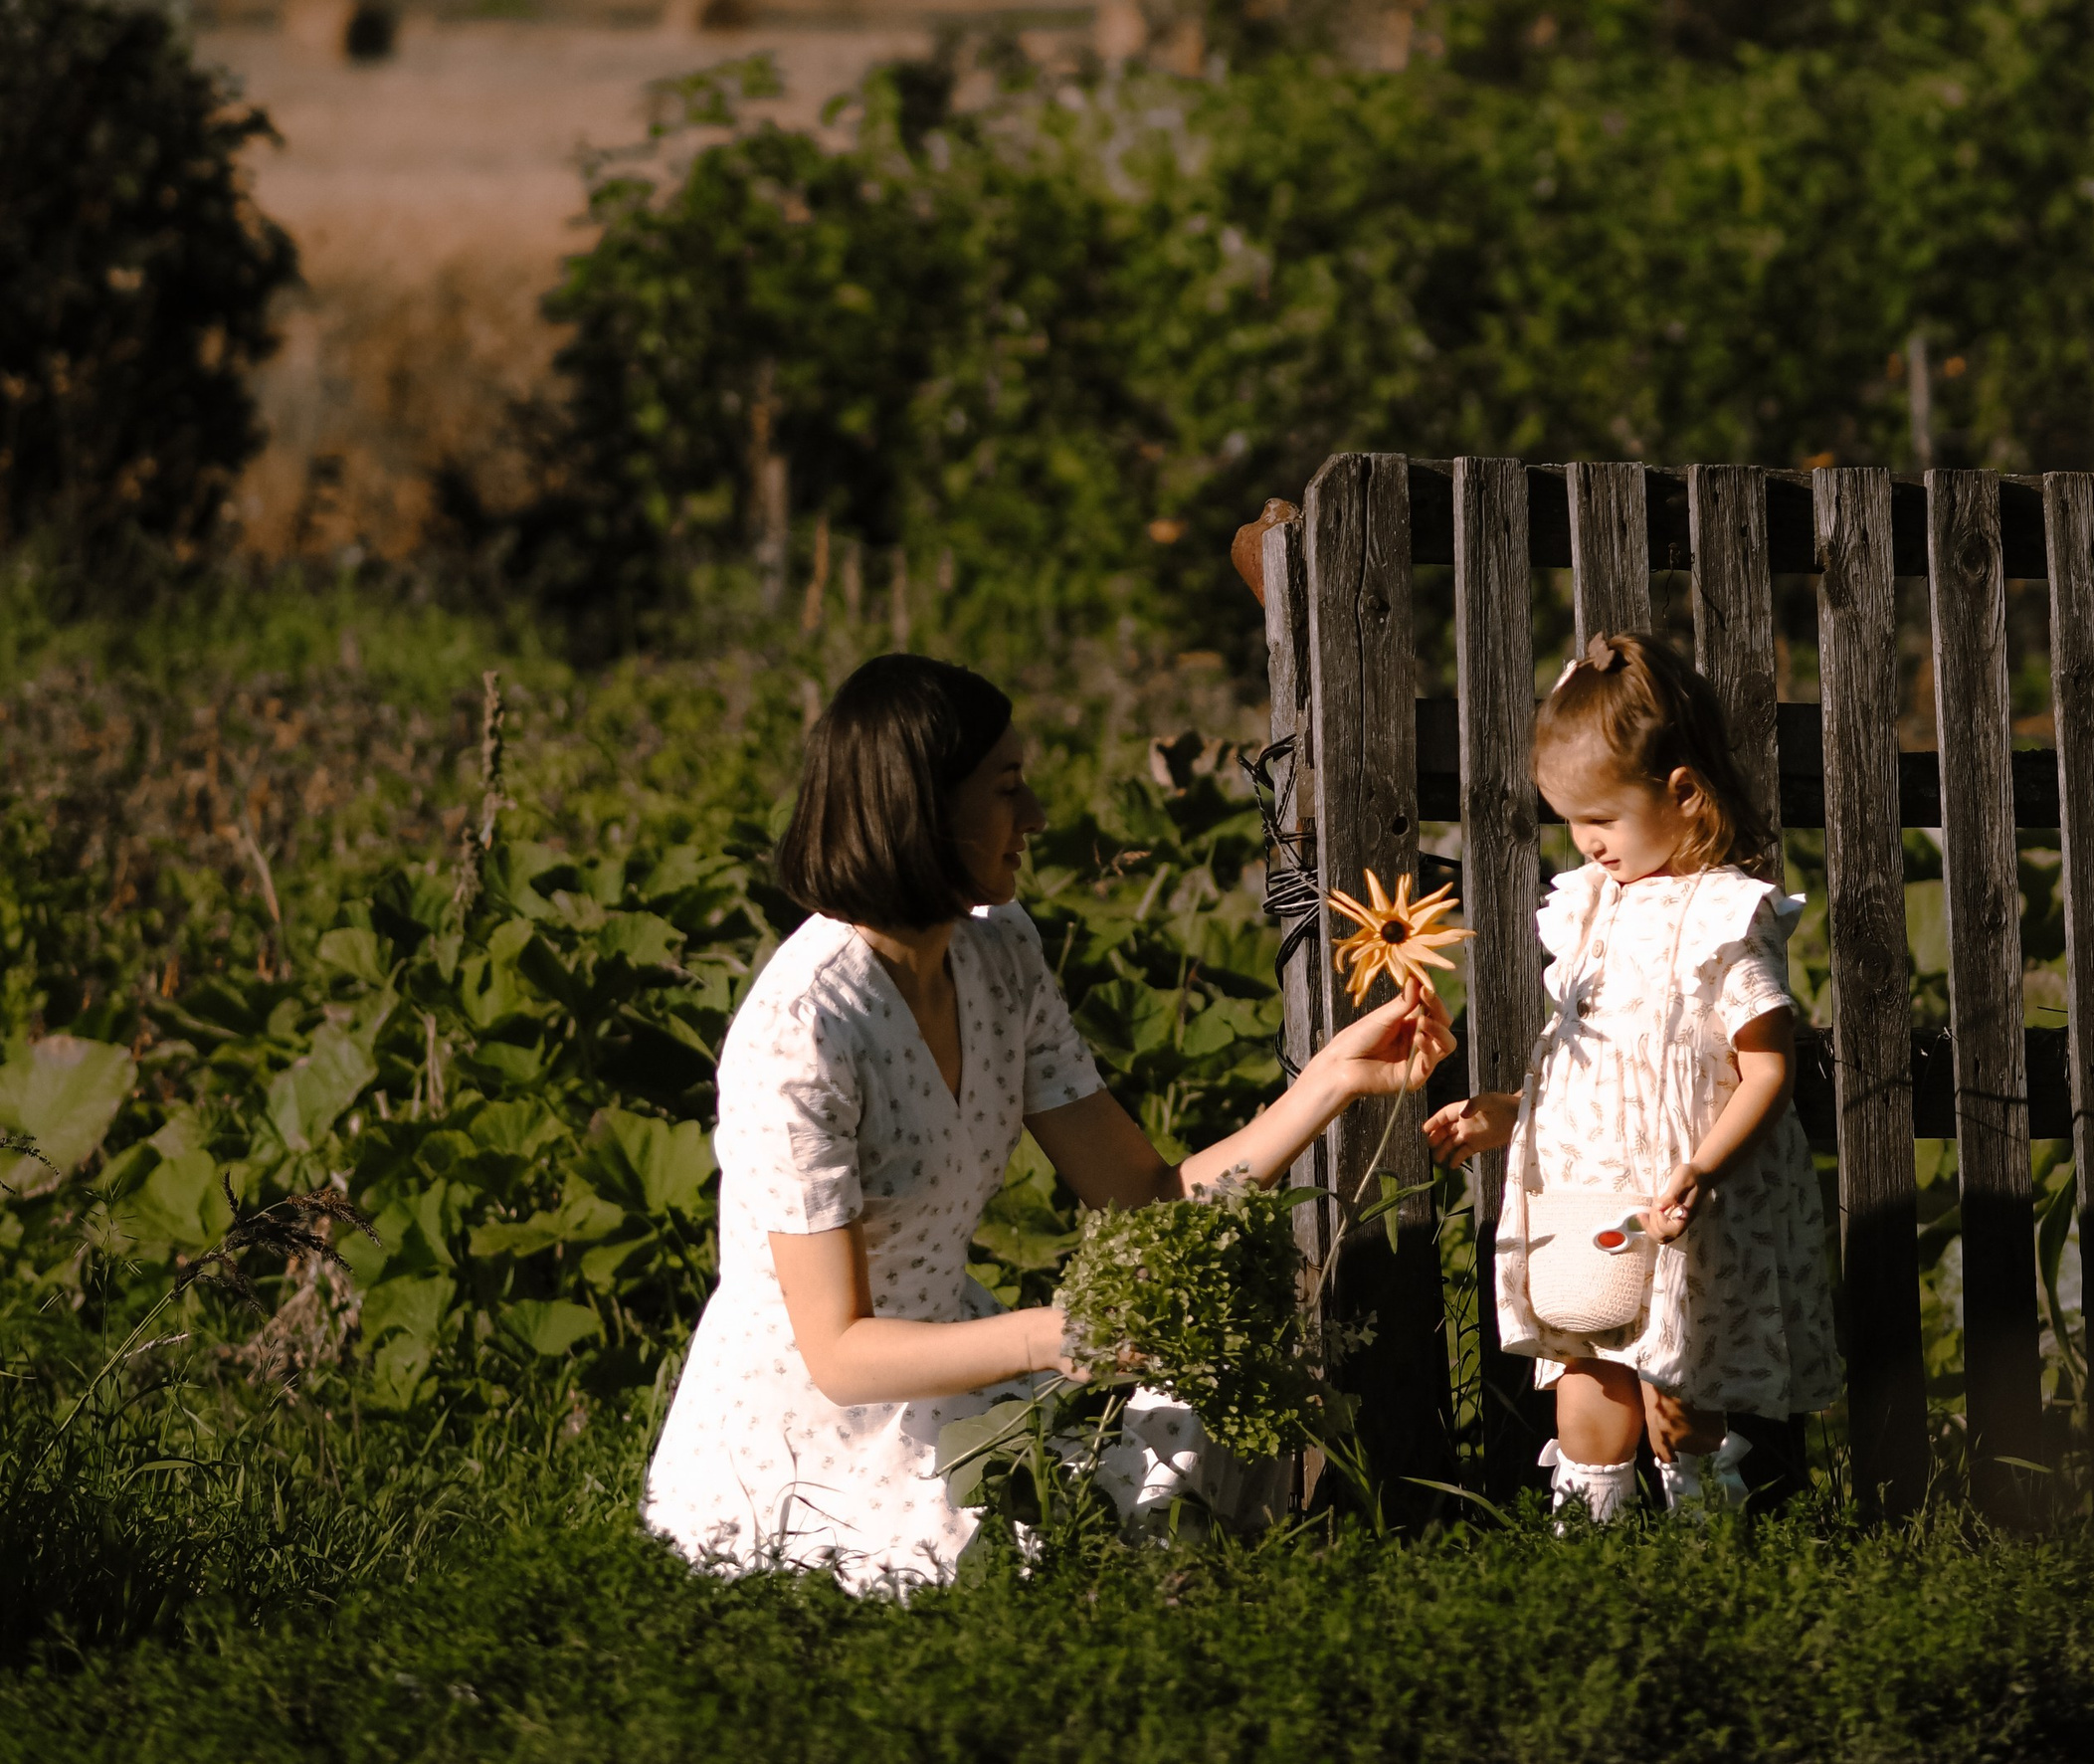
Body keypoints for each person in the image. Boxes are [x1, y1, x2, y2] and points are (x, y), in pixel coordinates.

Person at [643, 654, 1447, 1590]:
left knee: (1210, 1403)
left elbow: (1144, 1195)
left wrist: (1327, 1083)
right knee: (1037, 1550)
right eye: (1009, 788)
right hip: (811, 1424)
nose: (1037, 818)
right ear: (922, 804)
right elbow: (840, 1352)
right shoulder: (805, 1029)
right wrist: (1060, 1335)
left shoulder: (997, 951)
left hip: (967, 1363)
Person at [1424, 629, 1839, 1521]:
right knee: (1585, 1382)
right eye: (1569, 819)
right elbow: (1581, 1065)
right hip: (1588, 1199)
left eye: (1602, 819)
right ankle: (1592, 1545)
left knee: (1677, 1400)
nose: (1584, 841)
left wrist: (1701, 1170)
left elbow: (1767, 1069)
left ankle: (1700, 1543)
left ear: (1683, 794)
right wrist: (1503, 1115)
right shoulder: (1587, 910)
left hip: (1685, 1203)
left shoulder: (1725, 916)